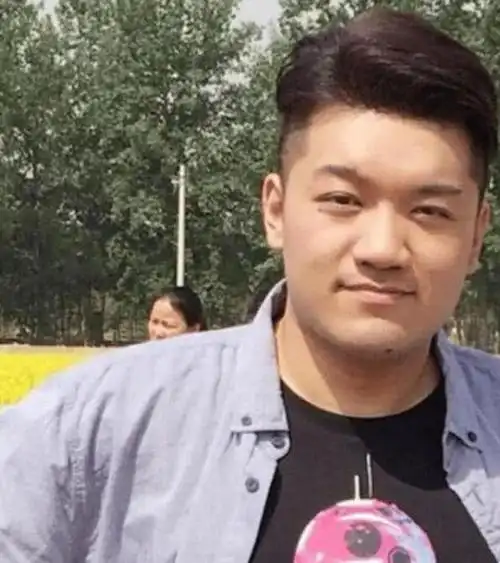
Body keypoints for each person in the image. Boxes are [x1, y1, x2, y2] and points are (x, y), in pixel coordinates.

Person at [0, 7, 499, 562]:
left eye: (430, 211)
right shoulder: (93, 430)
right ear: (275, 211)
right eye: (343, 200)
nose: (382, 248)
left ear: (476, 236)